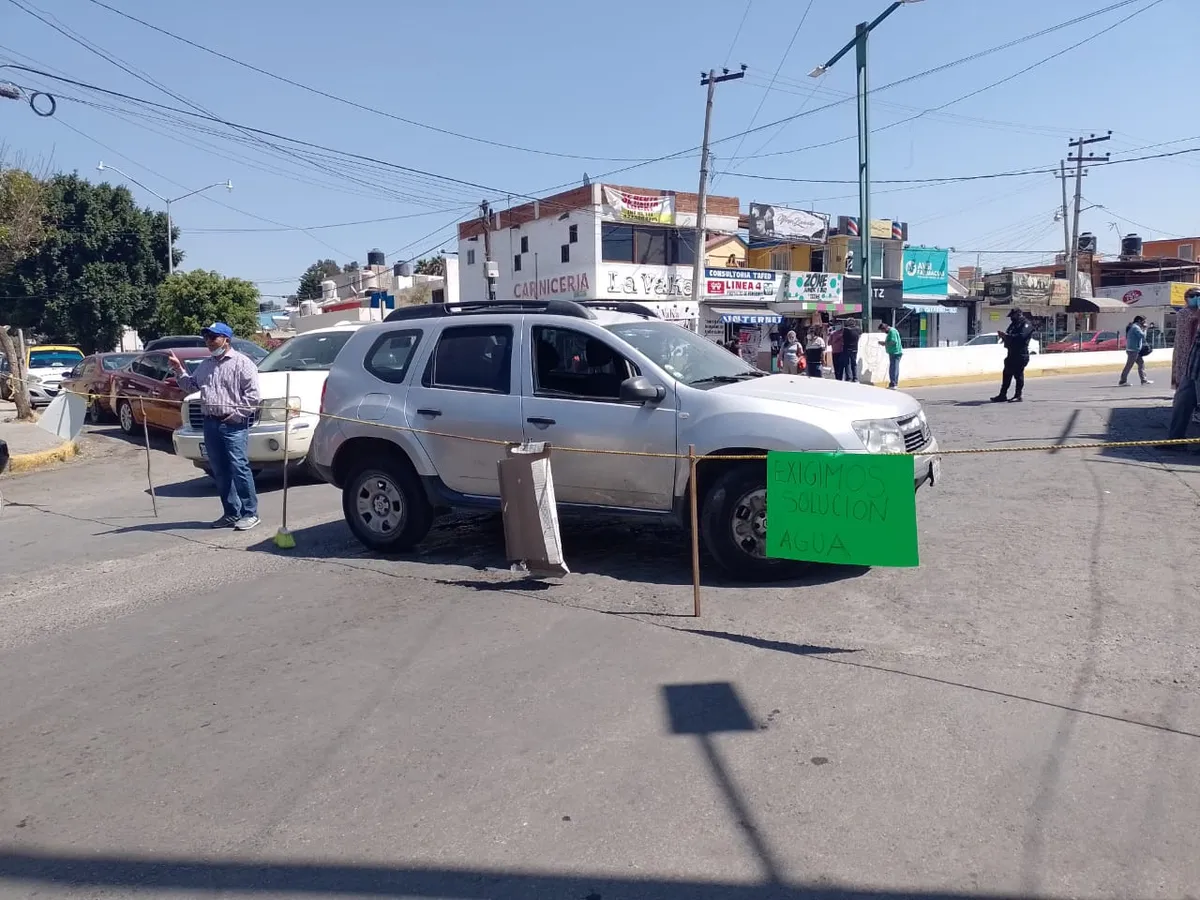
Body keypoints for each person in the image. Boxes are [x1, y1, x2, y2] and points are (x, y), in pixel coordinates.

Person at [169, 323, 261, 530]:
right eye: (207, 338)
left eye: (213, 338)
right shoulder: (207, 364)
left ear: (226, 340)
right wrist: (178, 370)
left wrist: (236, 415)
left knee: (239, 467)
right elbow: (191, 386)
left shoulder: (242, 363)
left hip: (233, 424)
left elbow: (253, 396)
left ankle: (250, 513)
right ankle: (231, 513)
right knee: (219, 469)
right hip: (210, 423)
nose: (209, 342)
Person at [1165, 288, 1200, 448]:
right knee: (1181, 402)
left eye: (1198, 296)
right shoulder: (1184, 314)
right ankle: (1175, 440)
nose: (1196, 299)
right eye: (1193, 296)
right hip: (1191, 364)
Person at [991, 308, 1035, 403]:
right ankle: (1002, 395)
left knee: (1018, 375)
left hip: (1020, 353)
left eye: (1013, 316)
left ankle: (1018, 395)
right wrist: (1004, 336)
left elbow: (1022, 336)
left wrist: (1008, 337)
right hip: (1011, 353)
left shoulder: (1026, 324)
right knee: (1006, 374)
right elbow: (1009, 334)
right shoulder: (1014, 324)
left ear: (1019, 314)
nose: (1011, 318)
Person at [1118, 315, 1153, 386]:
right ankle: (1122, 381)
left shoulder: (1134, 327)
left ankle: (1144, 380)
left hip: (1134, 350)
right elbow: (1143, 336)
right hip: (1133, 350)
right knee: (1129, 366)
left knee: (1141, 364)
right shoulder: (1136, 327)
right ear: (1139, 321)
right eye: (1144, 321)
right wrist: (1145, 329)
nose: (1145, 323)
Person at [878, 320, 903, 389]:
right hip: (895, 352)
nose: (883, 332)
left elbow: (893, 342)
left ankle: (893, 383)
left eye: (882, 331)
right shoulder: (892, 331)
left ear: (885, 328)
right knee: (895, 368)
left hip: (895, 352)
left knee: (893, 368)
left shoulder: (892, 332)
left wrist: (884, 343)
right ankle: (894, 383)